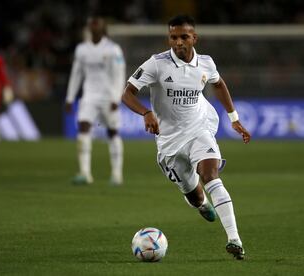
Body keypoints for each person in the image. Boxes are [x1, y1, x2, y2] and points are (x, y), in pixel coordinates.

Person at [122, 15, 251, 260]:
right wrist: (146, 112)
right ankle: (201, 204)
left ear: (194, 38)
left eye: (183, 37)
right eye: (173, 37)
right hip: (169, 142)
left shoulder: (205, 63)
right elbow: (127, 93)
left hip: (199, 128)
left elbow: (219, 84)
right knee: (195, 195)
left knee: (211, 175)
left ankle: (234, 239)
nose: (178, 42)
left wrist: (234, 119)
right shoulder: (156, 64)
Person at [65, 16, 126, 185]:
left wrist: (116, 96)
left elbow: (119, 74)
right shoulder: (82, 49)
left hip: (108, 96)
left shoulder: (113, 49)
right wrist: (70, 97)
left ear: (103, 27)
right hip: (89, 95)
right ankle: (85, 173)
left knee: (112, 132)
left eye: (97, 24)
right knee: (83, 128)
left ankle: (116, 174)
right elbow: (76, 74)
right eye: (92, 24)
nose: (94, 26)